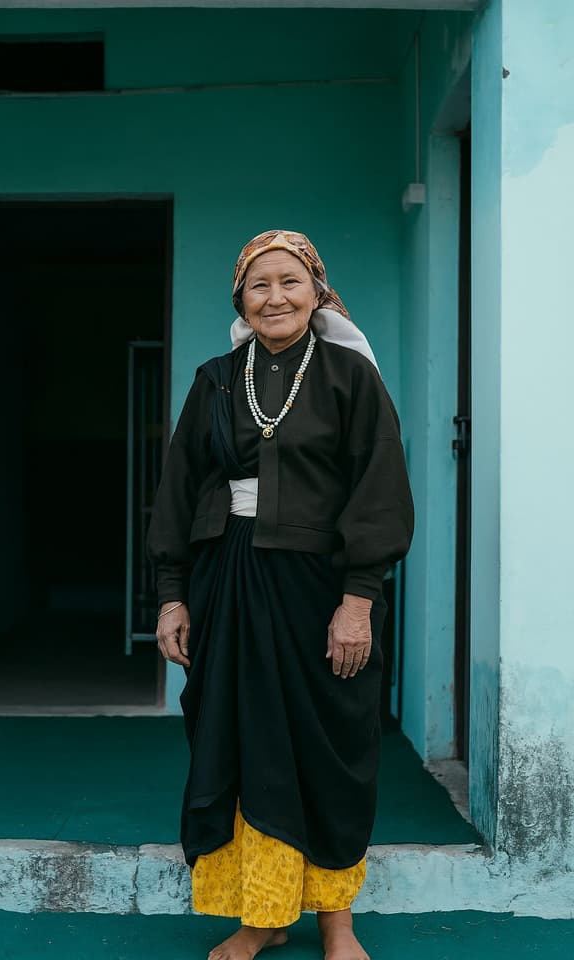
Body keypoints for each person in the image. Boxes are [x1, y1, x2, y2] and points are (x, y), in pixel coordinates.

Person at [147, 229, 414, 960]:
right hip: (229, 580)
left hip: (323, 586)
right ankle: (262, 916)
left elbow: (381, 489)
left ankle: (336, 921)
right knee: (239, 738)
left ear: (318, 292)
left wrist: (358, 598)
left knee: (330, 742)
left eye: (290, 282)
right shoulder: (214, 381)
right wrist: (173, 594)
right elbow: (179, 491)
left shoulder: (350, 378)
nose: (275, 297)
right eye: (258, 284)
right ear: (241, 298)